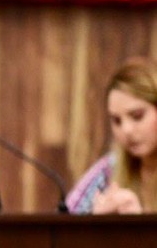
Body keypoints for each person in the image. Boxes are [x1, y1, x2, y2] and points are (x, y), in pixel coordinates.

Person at [66, 56, 157, 214]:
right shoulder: (108, 169)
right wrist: (97, 223)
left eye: (137, 116)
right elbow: (64, 220)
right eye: (116, 120)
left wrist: (138, 225)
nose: (126, 130)